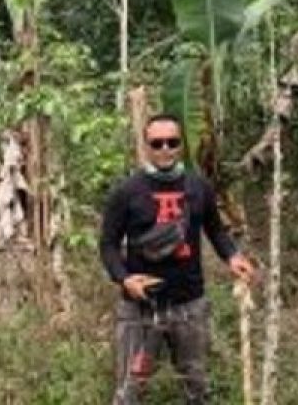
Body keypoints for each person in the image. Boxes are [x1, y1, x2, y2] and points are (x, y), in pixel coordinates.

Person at [99, 114, 254, 405]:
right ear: (146, 147)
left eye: (172, 142)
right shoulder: (126, 191)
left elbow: (216, 230)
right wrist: (124, 278)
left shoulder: (199, 187)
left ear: (181, 145)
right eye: (157, 143)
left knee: (196, 389)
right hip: (140, 310)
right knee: (129, 392)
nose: (165, 149)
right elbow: (107, 245)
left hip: (189, 305)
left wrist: (232, 256)